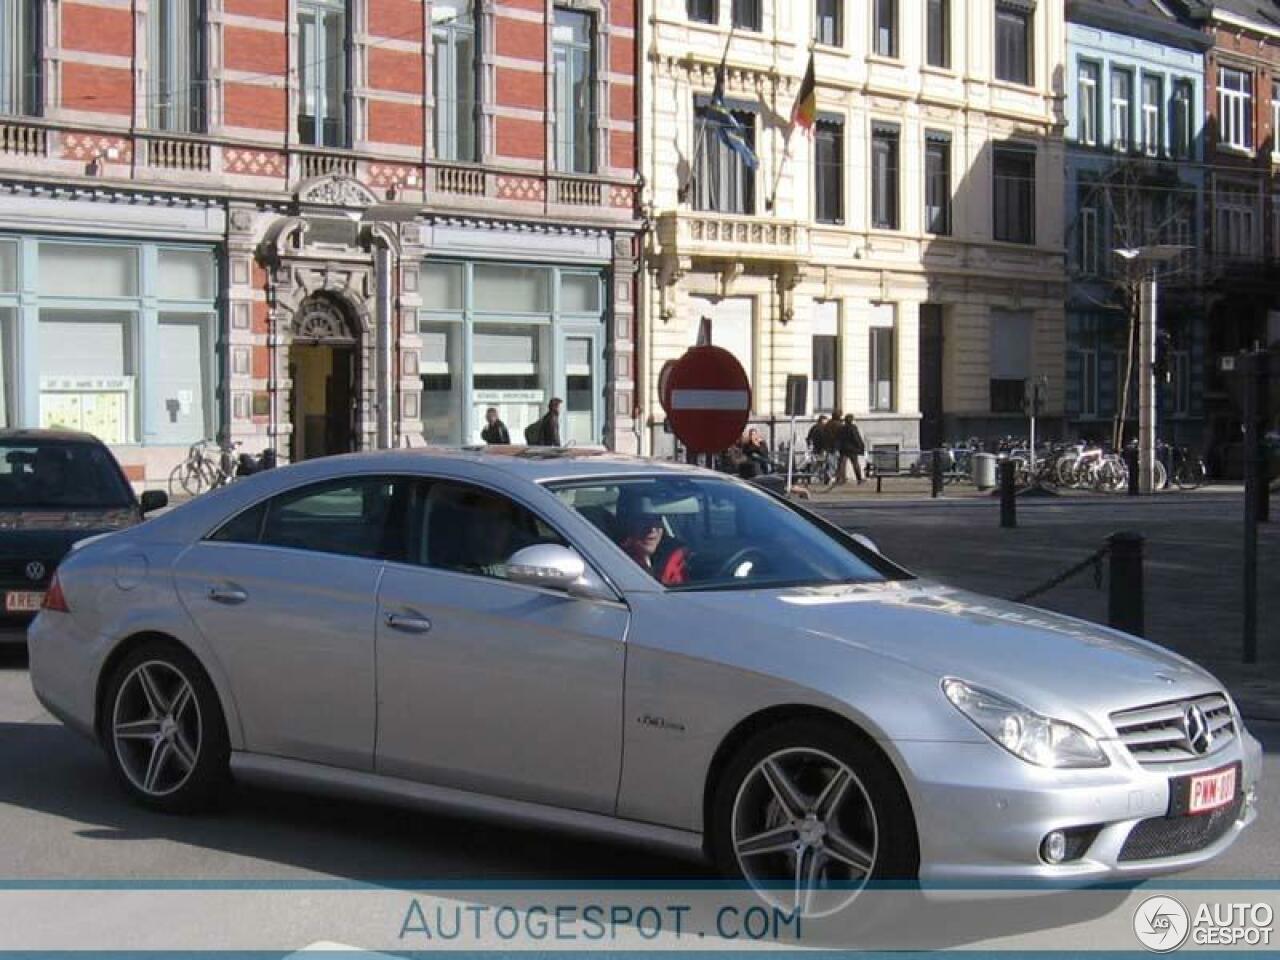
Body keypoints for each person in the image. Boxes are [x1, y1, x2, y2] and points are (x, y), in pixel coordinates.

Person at [617, 509, 689, 586]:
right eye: (643, 521)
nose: (652, 529)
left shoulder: (682, 558)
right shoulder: (617, 562)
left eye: (657, 520)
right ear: (628, 525)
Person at [833, 413, 866, 486]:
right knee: (855, 464)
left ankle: (839, 480)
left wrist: (837, 447)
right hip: (852, 449)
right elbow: (856, 438)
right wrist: (861, 447)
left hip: (843, 449)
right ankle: (859, 479)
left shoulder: (841, 428)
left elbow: (838, 439)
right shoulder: (853, 428)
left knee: (841, 464)